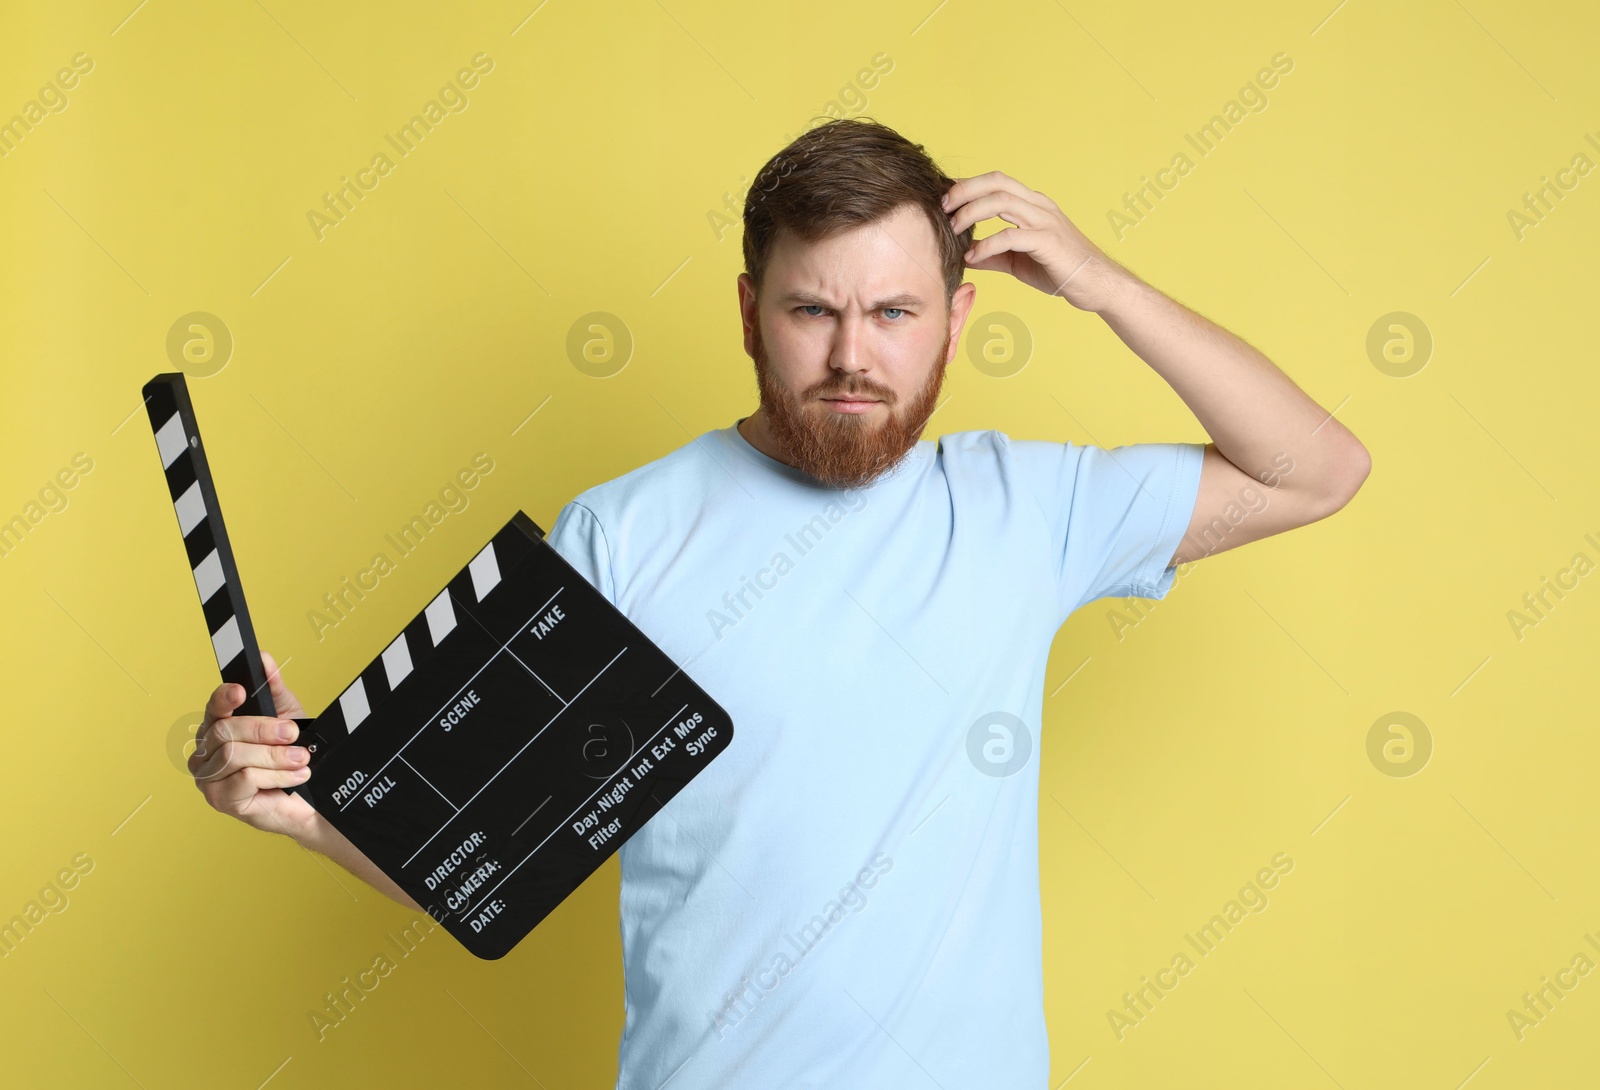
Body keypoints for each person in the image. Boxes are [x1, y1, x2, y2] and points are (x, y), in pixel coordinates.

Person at [191, 118, 1369, 1087]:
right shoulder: (627, 530)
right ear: (749, 310)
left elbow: (1314, 468)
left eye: (896, 312)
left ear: (957, 320)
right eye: (813, 311)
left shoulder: (1029, 508)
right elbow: (486, 849)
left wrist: (1106, 287)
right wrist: (299, 809)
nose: (854, 355)